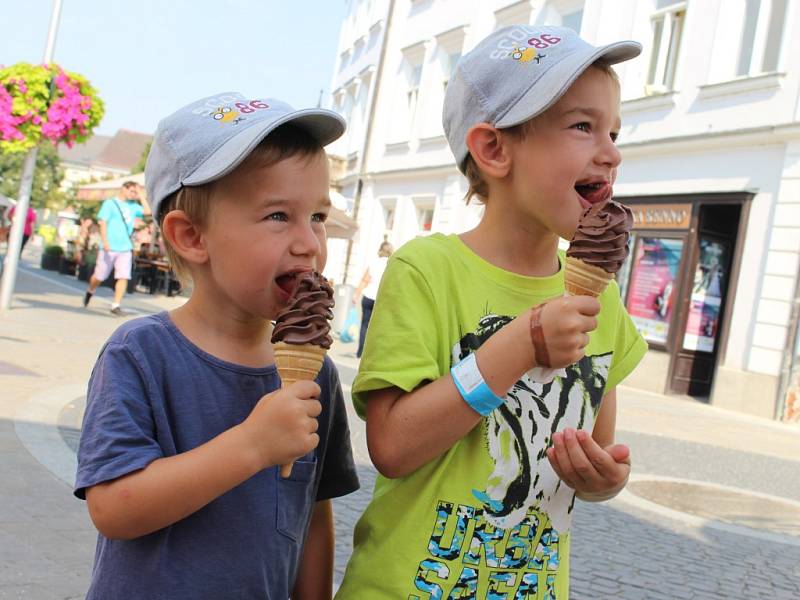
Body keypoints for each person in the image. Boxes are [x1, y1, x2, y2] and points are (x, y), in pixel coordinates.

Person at [336, 26, 648, 598]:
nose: (612, 152)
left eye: (614, 131)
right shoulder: (427, 270)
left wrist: (605, 478)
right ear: (494, 149)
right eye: (583, 126)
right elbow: (392, 448)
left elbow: (597, 448)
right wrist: (520, 344)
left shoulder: (602, 300)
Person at [74, 93, 359, 599]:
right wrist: (251, 446)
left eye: (317, 215)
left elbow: (313, 514)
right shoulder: (140, 355)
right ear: (191, 236)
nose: (309, 243)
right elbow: (114, 509)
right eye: (277, 216)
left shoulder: (318, 374)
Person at [81, 181, 144, 316]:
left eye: (135, 192)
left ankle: (115, 305)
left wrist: (141, 194)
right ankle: (90, 290)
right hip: (109, 247)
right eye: (132, 191)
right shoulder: (110, 204)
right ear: (124, 189)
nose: (133, 194)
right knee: (99, 276)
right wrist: (105, 242)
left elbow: (148, 211)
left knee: (123, 276)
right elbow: (103, 223)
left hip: (125, 247)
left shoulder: (134, 206)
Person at [352, 240, 394, 357]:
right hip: (382, 299)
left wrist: (356, 294)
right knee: (379, 326)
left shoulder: (374, 263)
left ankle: (360, 352)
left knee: (365, 325)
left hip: (368, 297)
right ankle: (373, 354)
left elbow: (365, 280)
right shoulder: (391, 265)